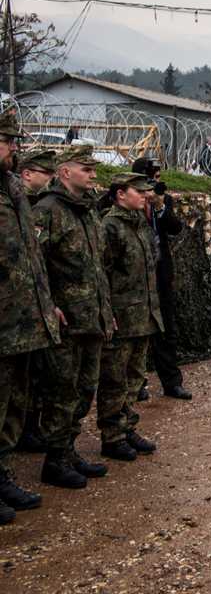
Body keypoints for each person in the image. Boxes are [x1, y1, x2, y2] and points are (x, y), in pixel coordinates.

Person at [32, 146, 114, 488]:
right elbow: (34, 265)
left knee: (83, 389)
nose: (93, 174)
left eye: (94, 169)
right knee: (61, 391)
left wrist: (106, 313)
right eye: (86, 169)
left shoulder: (88, 211)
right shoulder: (47, 211)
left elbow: (98, 269)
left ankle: (68, 449)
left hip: (91, 318)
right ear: (65, 173)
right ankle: (55, 459)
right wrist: (49, 306)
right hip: (65, 320)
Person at [0, 111, 60, 525]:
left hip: (23, 320)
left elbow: (31, 257)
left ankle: (1, 474)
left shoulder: (11, 189)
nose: (15, 149)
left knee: (13, 402)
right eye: (7, 142)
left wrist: (46, 303)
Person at [97, 173, 162, 462]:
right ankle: (112, 436)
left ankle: (127, 427)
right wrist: (107, 313)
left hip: (143, 316)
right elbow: (102, 275)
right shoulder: (110, 226)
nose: (146, 195)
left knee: (135, 378)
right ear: (120, 194)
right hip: (122, 318)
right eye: (139, 191)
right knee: (115, 379)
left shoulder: (139, 223)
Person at [135, 158, 192, 401]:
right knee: (136, 333)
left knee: (167, 330)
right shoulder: (123, 200)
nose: (155, 186)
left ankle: (171, 382)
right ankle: (135, 384)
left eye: (157, 180)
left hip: (160, 273)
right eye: (151, 180)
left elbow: (176, 228)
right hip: (136, 279)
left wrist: (160, 207)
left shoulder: (162, 201)